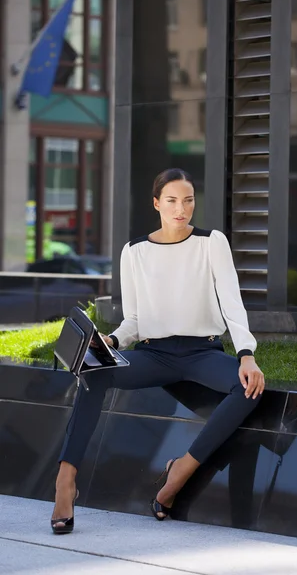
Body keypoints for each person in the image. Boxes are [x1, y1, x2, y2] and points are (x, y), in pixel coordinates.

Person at [51, 168, 265, 534]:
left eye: (188, 200)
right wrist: (113, 342)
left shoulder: (212, 242)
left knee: (248, 387)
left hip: (202, 352)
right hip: (153, 355)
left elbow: (232, 304)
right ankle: (65, 481)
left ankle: (181, 469)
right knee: (91, 369)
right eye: (171, 201)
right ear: (156, 204)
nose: (181, 209)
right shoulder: (135, 251)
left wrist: (247, 353)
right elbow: (133, 319)